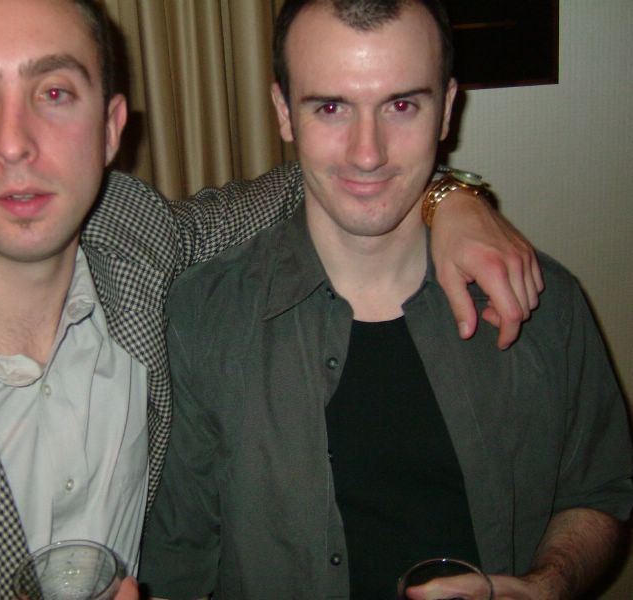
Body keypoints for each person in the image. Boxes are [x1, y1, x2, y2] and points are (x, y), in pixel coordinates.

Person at [0, 0, 542, 597]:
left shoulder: (137, 240)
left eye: (54, 93)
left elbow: (343, 173)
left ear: (111, 127)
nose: (14, 143)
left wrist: (449, 193)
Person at [138, 1, 633, 599]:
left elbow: (598, 492)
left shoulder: (544, 302)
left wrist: (546, 585)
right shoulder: (202, 319)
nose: (367, 153)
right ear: (284, 112)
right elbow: (177, 562)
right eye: (330, 107)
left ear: (447, 108)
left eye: (401, 105)